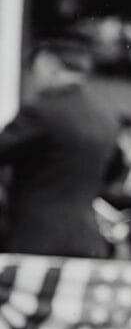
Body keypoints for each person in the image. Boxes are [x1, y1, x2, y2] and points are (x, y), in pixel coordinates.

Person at [0, 36, 120, 258]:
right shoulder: (106, 118)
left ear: (48, 64)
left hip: (36, 241)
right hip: (87, 242)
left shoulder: (42, 111)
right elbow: (114, 173)